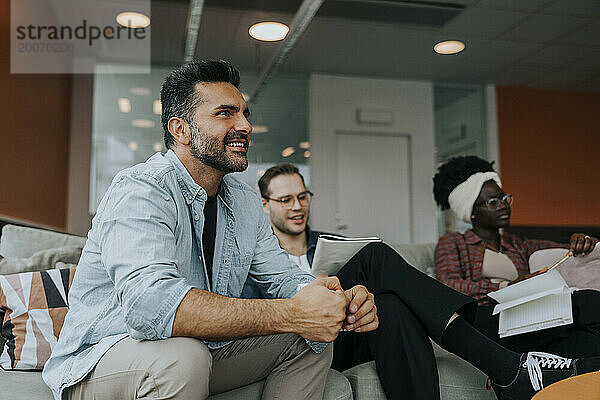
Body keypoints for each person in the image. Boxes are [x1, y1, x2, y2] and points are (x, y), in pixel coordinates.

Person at [42, 60, 378, 400]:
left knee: (311, 339)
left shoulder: (245, 202)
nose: (245, 125)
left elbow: (282, 278)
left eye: (245, 114)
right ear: (181, 130)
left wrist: (327, 297)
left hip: (199, 351)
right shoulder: (142, 188)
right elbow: (151, 306)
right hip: (103, 358)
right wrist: (291, 312)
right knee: (183, 357)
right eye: (225, 113)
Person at [256, 163, 600, 400]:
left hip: (350, 327)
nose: (297, 206)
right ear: (265, 205)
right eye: (285, 200)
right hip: (301, 339)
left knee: (389, 305)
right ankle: (507, 369)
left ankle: (562, 372)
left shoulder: (329, 242)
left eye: (303, 197)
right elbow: (257, 315)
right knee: (375, 256)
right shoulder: (259, 253)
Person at [433, 155, 600, 358]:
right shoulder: (453, 242)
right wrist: (507, 288)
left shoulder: (519, 245)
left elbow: (571, 249)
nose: (503, 205)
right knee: (587, 301)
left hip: (525, 317)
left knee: (585, 342)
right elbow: (448, 286)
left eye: (505, 198)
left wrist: (582, 240)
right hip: (486, 318)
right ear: (472, 212)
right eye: (492, 202)